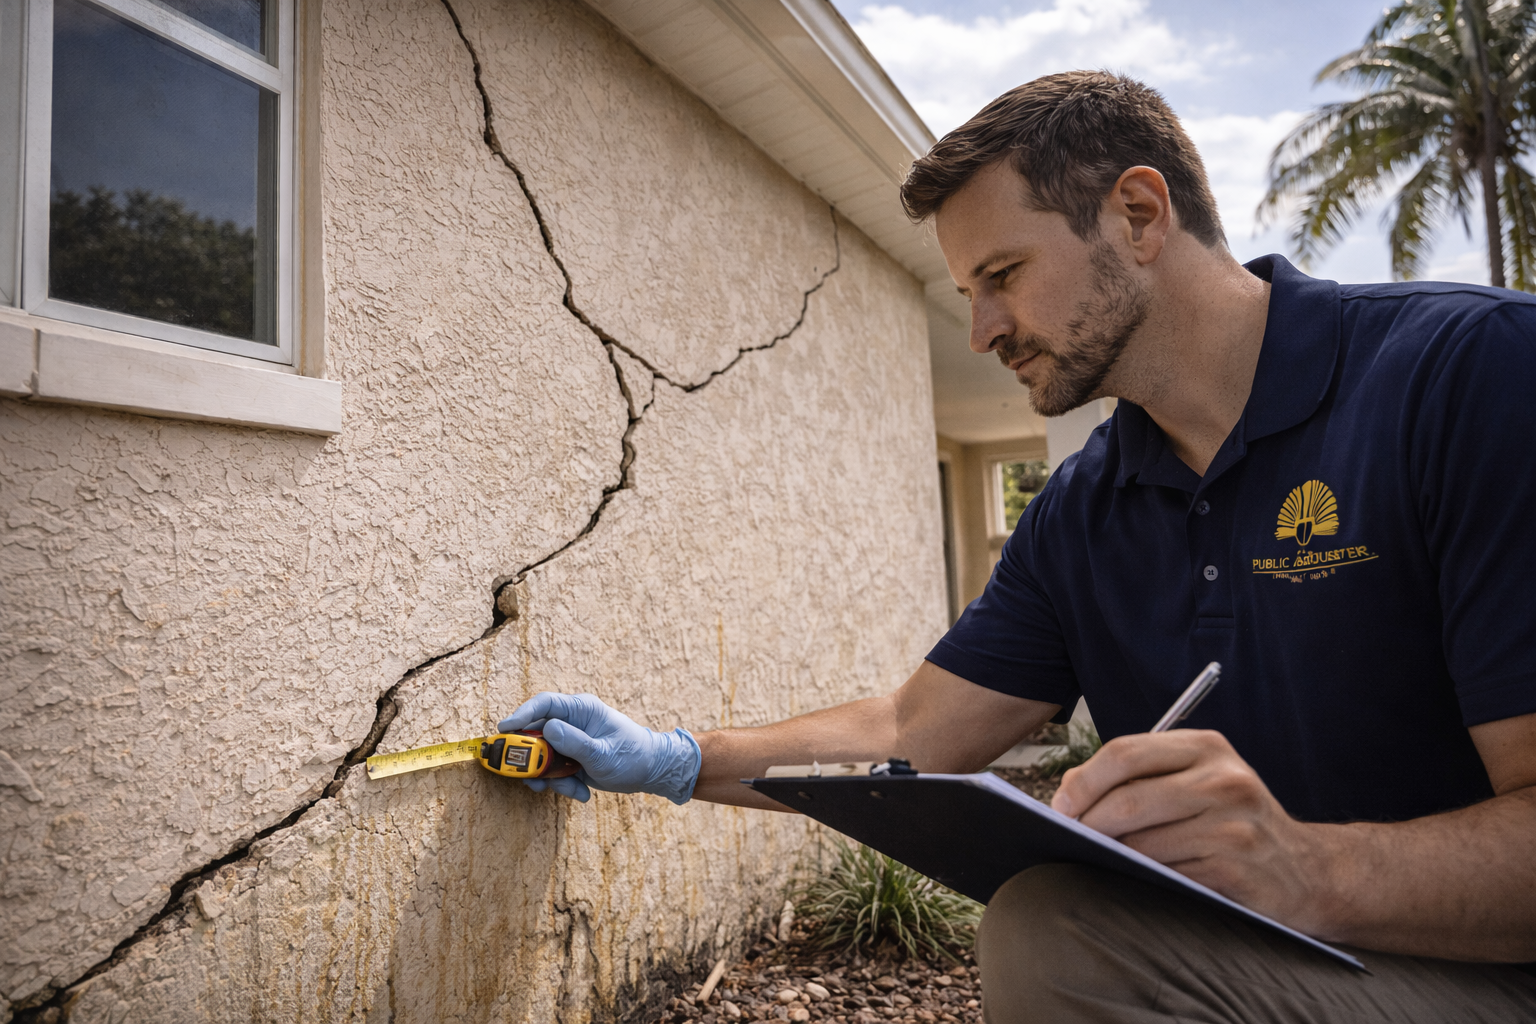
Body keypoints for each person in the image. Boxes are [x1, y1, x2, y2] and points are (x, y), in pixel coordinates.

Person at [498, 72, 1536, 1022]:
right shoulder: (1084, 505)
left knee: (1057, 935)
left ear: (1138, 213)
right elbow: (916, 729)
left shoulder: (1467, 376)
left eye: (1003, 274)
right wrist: (676, 758)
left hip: (1484, 970)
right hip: (1283, 959)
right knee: (1055, 910)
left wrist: (1309, 872)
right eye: (967, 295)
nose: (984, 330)